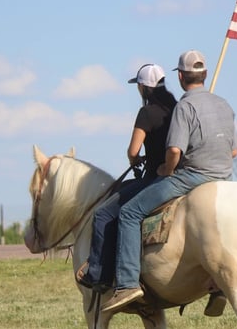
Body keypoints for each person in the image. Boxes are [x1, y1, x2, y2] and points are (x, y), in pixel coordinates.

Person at [102, 49, 237, 314]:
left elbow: (175, 151)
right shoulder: (224, 105)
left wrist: (167, 169)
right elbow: (233, 150)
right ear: (206, 74)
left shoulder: (185, 107)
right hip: (225, 178)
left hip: (192, 177)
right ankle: (220, 285)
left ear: (181, 77)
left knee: (129, 213)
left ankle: (128, 283)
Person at [75, 63, 177, 289]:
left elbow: (132, 151)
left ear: (143, 87)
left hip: (154, 179)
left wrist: (135, 160)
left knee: (103, 214)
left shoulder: (146, 112)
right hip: (179, 177)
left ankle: (99, 275)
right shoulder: (177, 109)